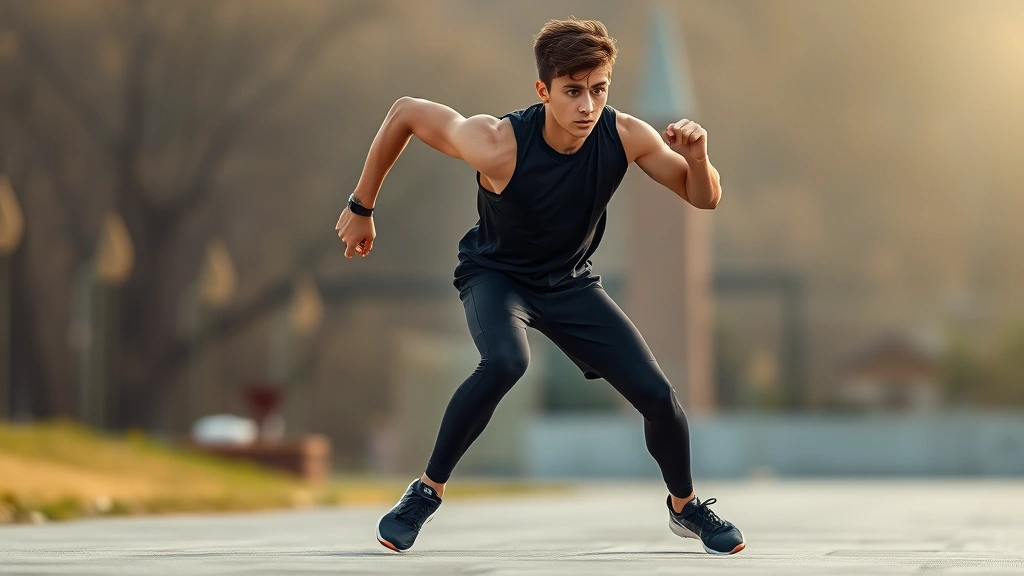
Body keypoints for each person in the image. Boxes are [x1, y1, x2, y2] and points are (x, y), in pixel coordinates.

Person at [335, 17, 744, 556]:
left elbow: (703, 197)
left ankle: (685, 506)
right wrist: (361, 206)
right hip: (496, 277)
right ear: (543, 90)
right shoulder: (496, 143)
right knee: (506, 362)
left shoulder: (625, 136)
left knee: (658, 397)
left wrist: (698, 158)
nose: (586, 107)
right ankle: (425, 493)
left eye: (598, 91)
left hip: (569, 283)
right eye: (572, 92)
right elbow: (406, 112)